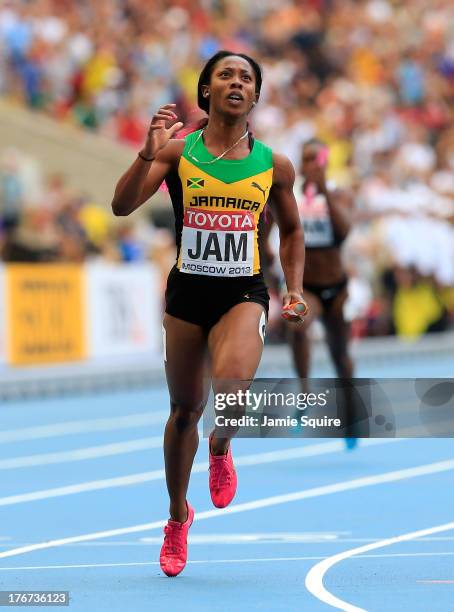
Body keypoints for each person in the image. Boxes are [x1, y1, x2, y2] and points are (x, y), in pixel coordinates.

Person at [111, 50, 307, 577]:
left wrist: (295, 288)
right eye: (225, 75)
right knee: (183, 411)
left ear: (255, 96)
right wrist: (144, 154)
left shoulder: (274, 164)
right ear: (207, 92)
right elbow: (121, 206)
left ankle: (221, 448)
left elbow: (292, 230)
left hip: (242, 292)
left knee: (234, 392)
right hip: (186, 296)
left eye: (246, 77)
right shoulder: (177, 152)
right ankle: (178, 515)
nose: (236, 82)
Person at [265, 138, 365, 447]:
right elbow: (266, 237)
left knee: (340, 355)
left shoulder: (338, 192)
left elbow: (343, 232)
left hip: (337, 289)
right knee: (298, 323)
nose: (312, 165)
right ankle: (305, 391)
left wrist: (323, 193)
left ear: (325, 161)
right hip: (305, 286)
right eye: (306, 159)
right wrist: (271, 275)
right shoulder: (289, 195)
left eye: (316, 159)